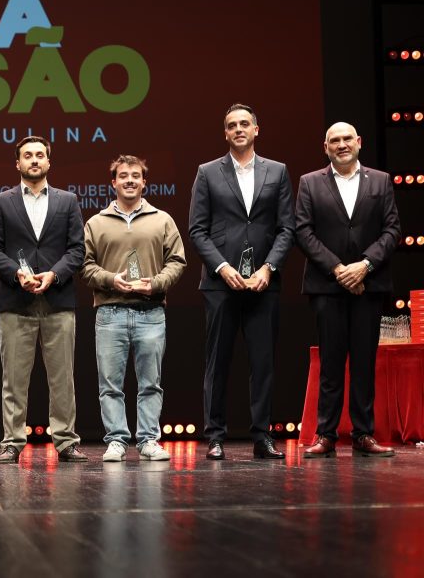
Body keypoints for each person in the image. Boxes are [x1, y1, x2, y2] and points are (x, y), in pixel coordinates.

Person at [189, 103, 295, 460]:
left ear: (256, 129)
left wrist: (269, 268)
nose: (238, 129)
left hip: (263, 283)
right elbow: (197, 230)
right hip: (221, 283)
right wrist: (222, 267)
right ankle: (215, 437)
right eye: (232, 125)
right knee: (217, 363)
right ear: (225, 133)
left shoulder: (277, 171)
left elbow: (286, 228)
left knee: (263, 363)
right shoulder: (207, 172)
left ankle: (262, 437)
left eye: (244, 123)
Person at [296, 122, 400, 458]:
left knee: (364, 362)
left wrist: (364, 266)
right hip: (328, 285)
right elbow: (303, 231)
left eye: (346, 139)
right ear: (325, 147)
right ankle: (326, 434)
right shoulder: (310, 182)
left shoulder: (380, 181)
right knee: (330, 362)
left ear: (359, 142)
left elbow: (392, 230)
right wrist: (339, 269)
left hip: (369, 284)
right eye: (334, 141)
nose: (341, 145)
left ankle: (363, 434)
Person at [0, 136, 87, 464]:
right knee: (14, 379)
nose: (34, 160)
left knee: (62, 378)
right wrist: (17, 274)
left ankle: (66, 441)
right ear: (18, 163)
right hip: (16, 299)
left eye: (40, 155)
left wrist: (54, 274)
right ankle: (12, 442)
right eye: (27, 155)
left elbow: (77, 249)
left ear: (48, 162)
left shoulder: (67, 200)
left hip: (58, 298)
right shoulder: (0, 202)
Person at [81, 155, 186, 462]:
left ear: (144, 182)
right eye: (123, 175)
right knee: (110, 385)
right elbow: (84, 266)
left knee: (151, 383)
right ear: (113, 182)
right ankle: (116, 440)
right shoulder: (96, 223)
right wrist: (111, 279)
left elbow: (177, 261)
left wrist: (155, 284)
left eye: (135, 175)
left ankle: (149, 439)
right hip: (110, 312)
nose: (129, 180)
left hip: (150, 311)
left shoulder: (162, 219)